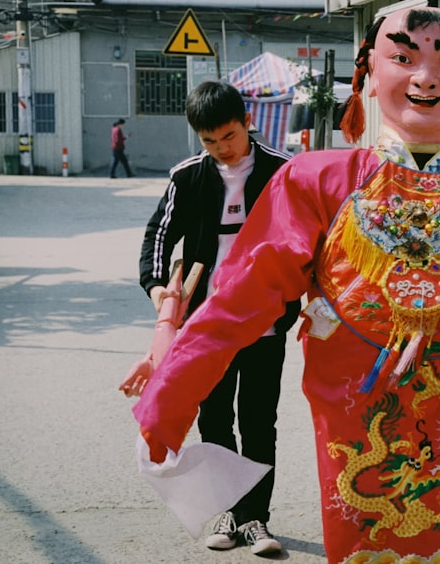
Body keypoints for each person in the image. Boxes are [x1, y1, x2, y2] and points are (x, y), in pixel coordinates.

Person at [133, 7, 440, 563]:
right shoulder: (316, 181)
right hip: (360, 437)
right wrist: (169, 399)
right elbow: (236, 302)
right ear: (368, 72)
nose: (425, 78)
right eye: (403, 58)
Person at [130, 80, 301, 556]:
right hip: (206, 327)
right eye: (209, 141)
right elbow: (158, 239)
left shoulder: (282, 172)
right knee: (216, 419)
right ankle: (229, 512)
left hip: (265, 321)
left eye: (229, 136)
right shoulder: (188, 177)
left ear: (247, 121)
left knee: (259, 421)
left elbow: (314, 240)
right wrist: (157, 284)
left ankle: (258, 520)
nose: (222, 149)